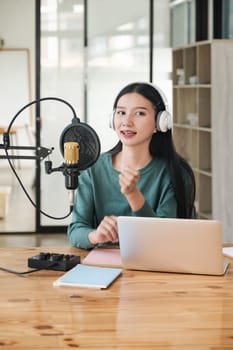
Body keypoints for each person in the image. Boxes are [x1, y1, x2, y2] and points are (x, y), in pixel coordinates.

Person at [67, 82, 196, 249]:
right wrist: (95, 235)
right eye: (121, 112)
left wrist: (134, 196)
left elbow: (162, 239)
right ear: (112, 119)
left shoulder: (174, 173)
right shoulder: (93, 170)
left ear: (160, 122)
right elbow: (76, 230)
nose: (127, 122)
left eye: (139, 113)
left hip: (155, 266)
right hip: (104, 266)